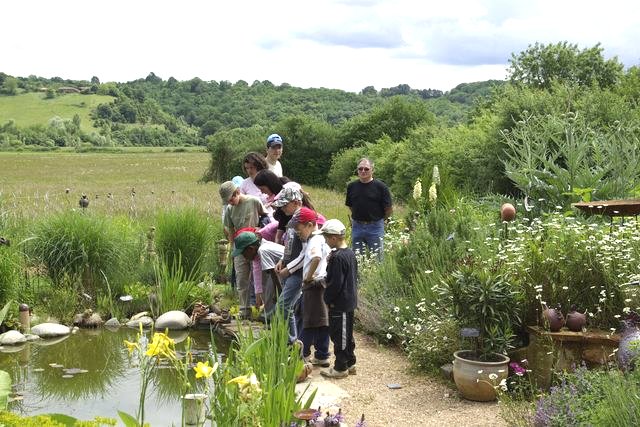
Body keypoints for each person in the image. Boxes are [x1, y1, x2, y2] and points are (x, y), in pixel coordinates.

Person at [314, 219, 358, 378]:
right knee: (346, 335)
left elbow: (335, 283)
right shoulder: (349, 253)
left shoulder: (338, 257)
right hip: (348, 300)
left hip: (340, 303)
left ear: (333, 237)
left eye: (326, 238)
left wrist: (328, 298)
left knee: (340, 336)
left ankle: (340, 367)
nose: (325, 241)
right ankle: (350, 362)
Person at [219, 180, 267, 317]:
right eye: (227, 201)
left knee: (259, 277)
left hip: (254, 245)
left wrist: (261, 228)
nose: (230, 203)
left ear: (237, 192)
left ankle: (263, 308)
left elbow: (266, 218)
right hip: (240, 247)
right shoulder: (229, 209)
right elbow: (230, 229)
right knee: (242, 278)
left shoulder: (253, 201)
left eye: (231, 199)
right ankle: (244, 309)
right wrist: (232, 249)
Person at [290, 207, 331, 367]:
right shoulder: (322, 238)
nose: (298, 233)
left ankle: (302, 354)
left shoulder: (314, 240)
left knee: (308, 322)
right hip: (322, 283)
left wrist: (307, 278)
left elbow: (315, 258)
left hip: (313, 286)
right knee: (322, 321)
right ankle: (322, 354)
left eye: (299, 229)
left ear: (309, 225)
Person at [345, 157, 393, 260]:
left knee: (378, 259)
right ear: (357, 170)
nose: (363, 171)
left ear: (372, 170)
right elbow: (350, 205)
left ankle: (377, 276)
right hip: (357, 226)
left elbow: (388, 209)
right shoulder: (351, 186)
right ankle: (358, 276)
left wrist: (381, 220)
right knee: (357, 259)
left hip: (375, 227)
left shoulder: (381, 187)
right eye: (360, 169)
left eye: (366, 169)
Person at [232, 230, 284, 314]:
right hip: (286, 271)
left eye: (244, 254)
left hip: (292, 271)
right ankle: (269, 313)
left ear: (251, 249)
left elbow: (273, 275)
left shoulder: (262, 251)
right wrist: (258, 294)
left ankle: (269, 315)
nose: (245, 258)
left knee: (270, 288)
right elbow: (257, 275)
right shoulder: (261, 247)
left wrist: (276, 293)